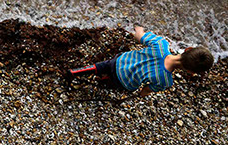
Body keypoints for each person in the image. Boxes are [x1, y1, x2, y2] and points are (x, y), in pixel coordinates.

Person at [69, 25, 214, 97]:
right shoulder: (165, 81)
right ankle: (103, 81)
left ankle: (78, 71)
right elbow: (145, 90)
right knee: (113, 82)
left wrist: (139, 27)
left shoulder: (161, 44)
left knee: (102, 66)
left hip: (120, 62)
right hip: (125, 82)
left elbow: (138, 34)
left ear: (187, 49)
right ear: (190, 71)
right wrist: (141, 94)